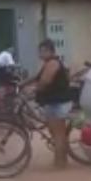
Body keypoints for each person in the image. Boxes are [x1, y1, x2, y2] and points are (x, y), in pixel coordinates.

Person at [29, 40, 74, 169]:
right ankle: (61, 161)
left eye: (42, 51)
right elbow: (37, 77)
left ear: (50, 51)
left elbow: (45, 81)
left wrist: (33, 89)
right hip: (53, 102)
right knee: (56, 134)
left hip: (58, 102)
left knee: (58, 135)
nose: (40, 54)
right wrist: (24, 83)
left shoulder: (53, 63)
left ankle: (60, 164)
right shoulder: (48, 64)